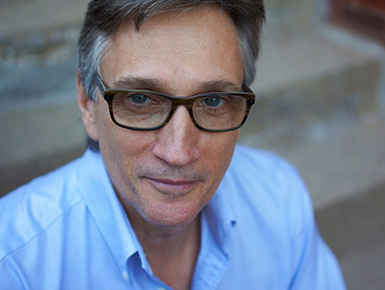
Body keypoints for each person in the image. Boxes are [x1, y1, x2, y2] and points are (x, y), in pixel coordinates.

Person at [0, 1, 346, 289]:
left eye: (213, 101)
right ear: (86, 104)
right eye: (139, 98)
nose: (178, 152)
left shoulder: (280, 197)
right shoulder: (15, 261)